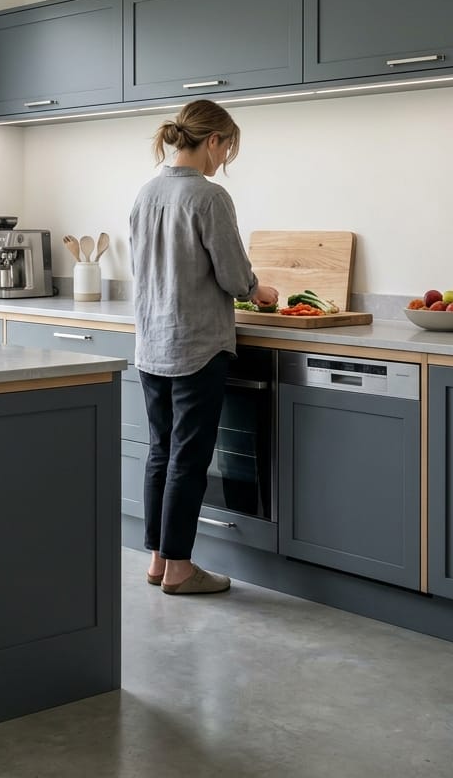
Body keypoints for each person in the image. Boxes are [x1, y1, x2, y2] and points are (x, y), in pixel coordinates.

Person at [129, 100, 277, 595]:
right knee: (188, 460)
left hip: (152, 343)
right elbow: (234, 277)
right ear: (211, 141)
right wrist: (259, 290)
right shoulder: (209, 198)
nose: (223, 161)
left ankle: (157, 560)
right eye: (226, 149)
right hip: (196, 346)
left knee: (161, 453)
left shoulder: (145, 193)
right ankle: (180, 569)